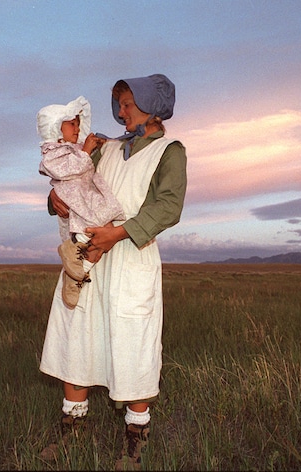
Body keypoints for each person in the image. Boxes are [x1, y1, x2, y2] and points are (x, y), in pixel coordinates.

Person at [39, 74, 187, 470]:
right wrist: (55, 201)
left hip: (130, 258)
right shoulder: (106, 148)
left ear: (151, 104)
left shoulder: (169, 151)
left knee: (132, 345)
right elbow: (71, 180)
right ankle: (71, 434)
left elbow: (168, 207)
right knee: (77, 339)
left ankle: (134, 445)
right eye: (118, 105)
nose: (119, 112)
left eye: (126, 104)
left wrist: (117, 233)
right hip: (88, 257)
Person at [37, 96, 125, 309]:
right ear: (56, 128)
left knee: (106, 222)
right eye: (71, 124)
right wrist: (86, 151)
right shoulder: (52, 151)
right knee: (93, 227)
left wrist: (98, 147)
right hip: (75, 198)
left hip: (87, 195)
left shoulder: (76, 148)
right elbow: (64, 169)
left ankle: (74, 277)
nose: (77, 129)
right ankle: (72, 251)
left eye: (78, 124)